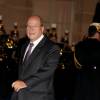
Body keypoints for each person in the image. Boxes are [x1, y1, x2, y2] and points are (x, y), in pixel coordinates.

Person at [11, 15, 60, 100]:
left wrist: (25, 83)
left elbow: (46, 71)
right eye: (29, 26)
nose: (31, 29)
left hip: (39, 96)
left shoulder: (52, 48)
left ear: (42, 28)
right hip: (20, 95)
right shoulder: (24, 46)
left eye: (35, 26)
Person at [73, 22, 100, 100]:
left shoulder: (79, 45)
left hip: (81, 83)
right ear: (98, 33)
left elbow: (77, 64)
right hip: (96, 84)